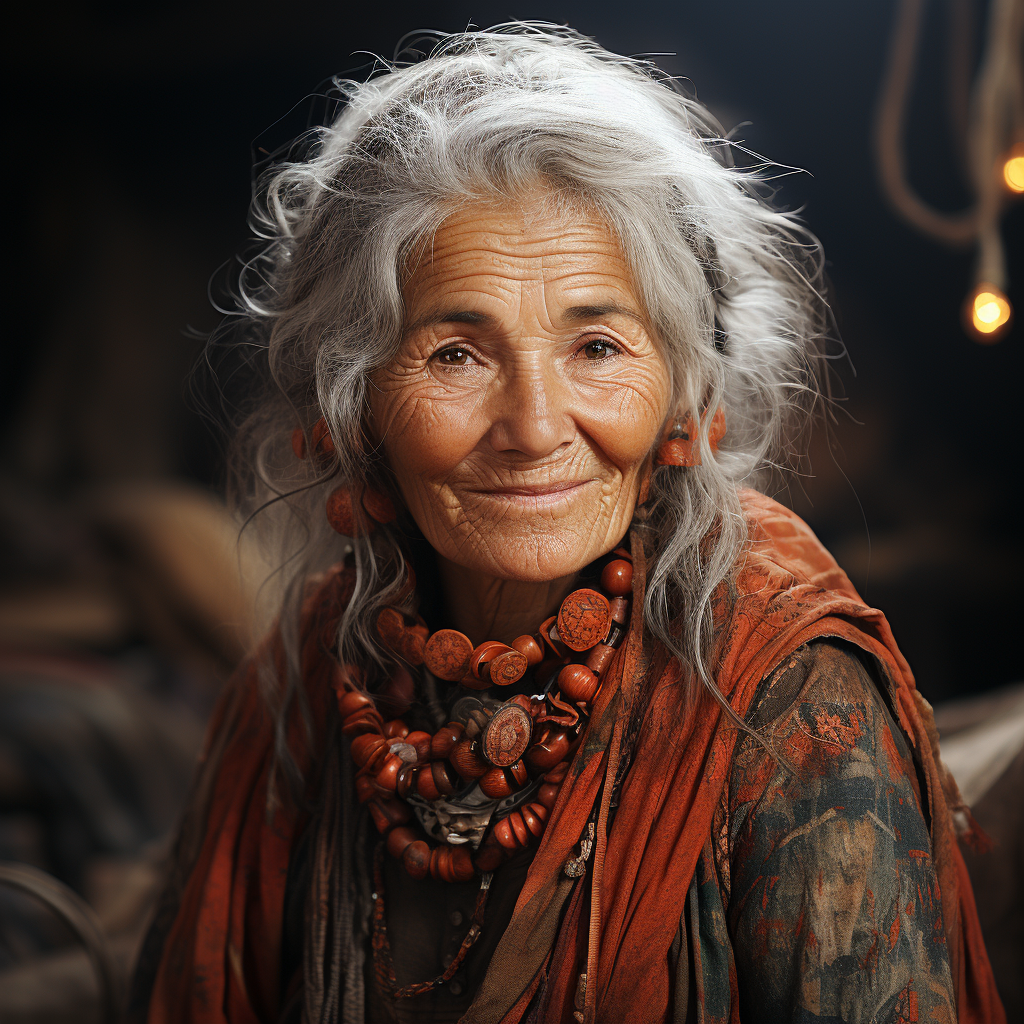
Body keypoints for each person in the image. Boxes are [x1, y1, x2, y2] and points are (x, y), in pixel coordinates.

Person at [129, 24, 1005, 1024]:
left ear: (682, 388)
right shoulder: (307, 673)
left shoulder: (787, 697)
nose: (536, 428)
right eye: (456, 353)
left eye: (595, 346)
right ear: (353, 403)